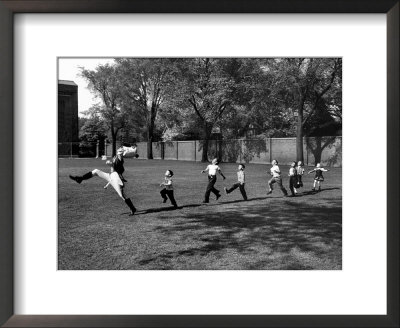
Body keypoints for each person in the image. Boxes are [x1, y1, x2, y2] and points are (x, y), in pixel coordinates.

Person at [69, 146, 137, 215]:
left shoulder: (120, 158)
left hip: (115, 178)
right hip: (110, 175)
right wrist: (109, 163)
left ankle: (132, 208)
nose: (119, 149)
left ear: (121, 153)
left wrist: (110, 163)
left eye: (120, 150)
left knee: (122, 195)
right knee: (96, 171)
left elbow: (117, 162)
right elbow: (113, 165)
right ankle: (80, 179)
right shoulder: (116, 156)